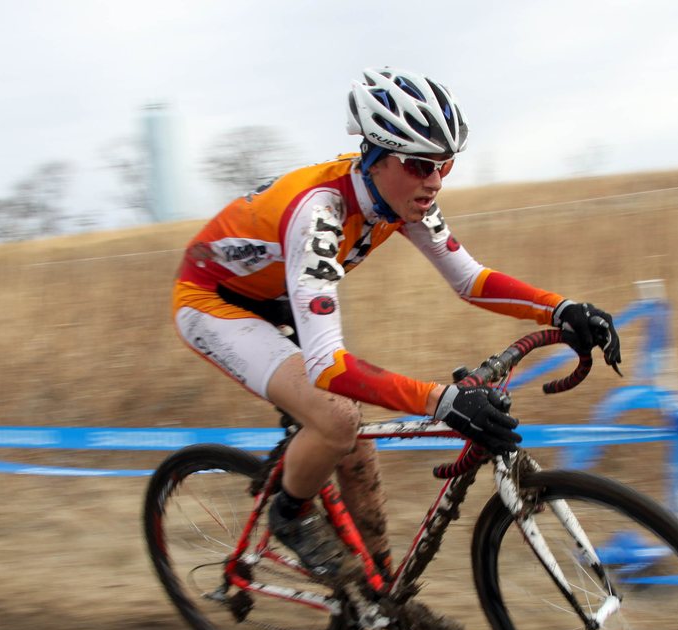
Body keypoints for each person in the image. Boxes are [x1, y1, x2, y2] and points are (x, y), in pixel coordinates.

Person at [172, 65, 621, 594]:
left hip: (277, 296)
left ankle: (381, 593)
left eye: (445, 164)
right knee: (338, 418)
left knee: (354, 441)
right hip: (213, 300)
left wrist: (560, 308)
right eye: (418, 164)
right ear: (375, 157)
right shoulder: (321, 213)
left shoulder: (401, 198)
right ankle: (289, 514)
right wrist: (444, 400)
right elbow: (329, 366)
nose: (433, 180)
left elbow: (470, 280)